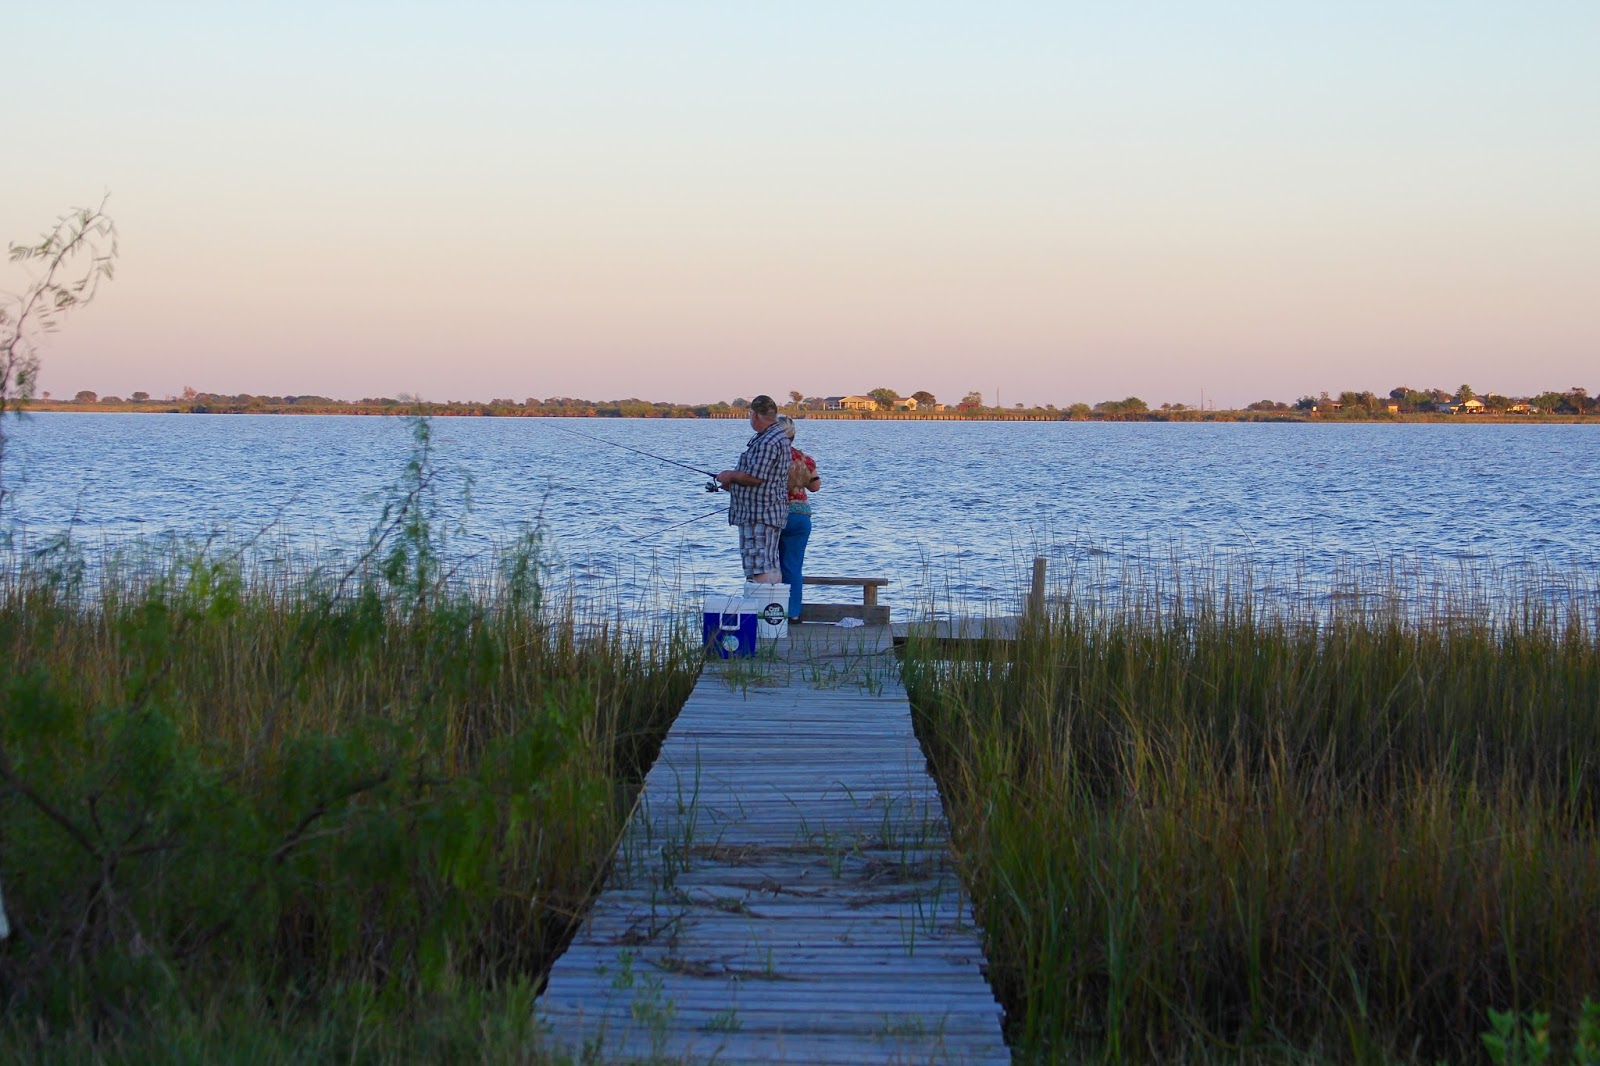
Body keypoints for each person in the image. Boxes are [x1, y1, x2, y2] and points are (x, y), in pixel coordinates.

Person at [716, 395, 789, 584]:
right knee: (769, 564)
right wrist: (733, 486)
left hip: (759, 515)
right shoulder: (775, 436)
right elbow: (765, 479)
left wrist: (730, 475)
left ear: (755, 415)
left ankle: (761, 610)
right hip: (767, 513)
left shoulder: (767, 441)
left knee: (759, 566)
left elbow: (756, 477)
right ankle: (773, 610)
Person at [775, 415, 820, 621]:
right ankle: (793, 613)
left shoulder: (770, 457)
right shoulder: (804, 459)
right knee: (793, 566)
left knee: (769, 566)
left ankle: (770, 610)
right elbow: (815, 486)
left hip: (775, 515)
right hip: (801, 516)